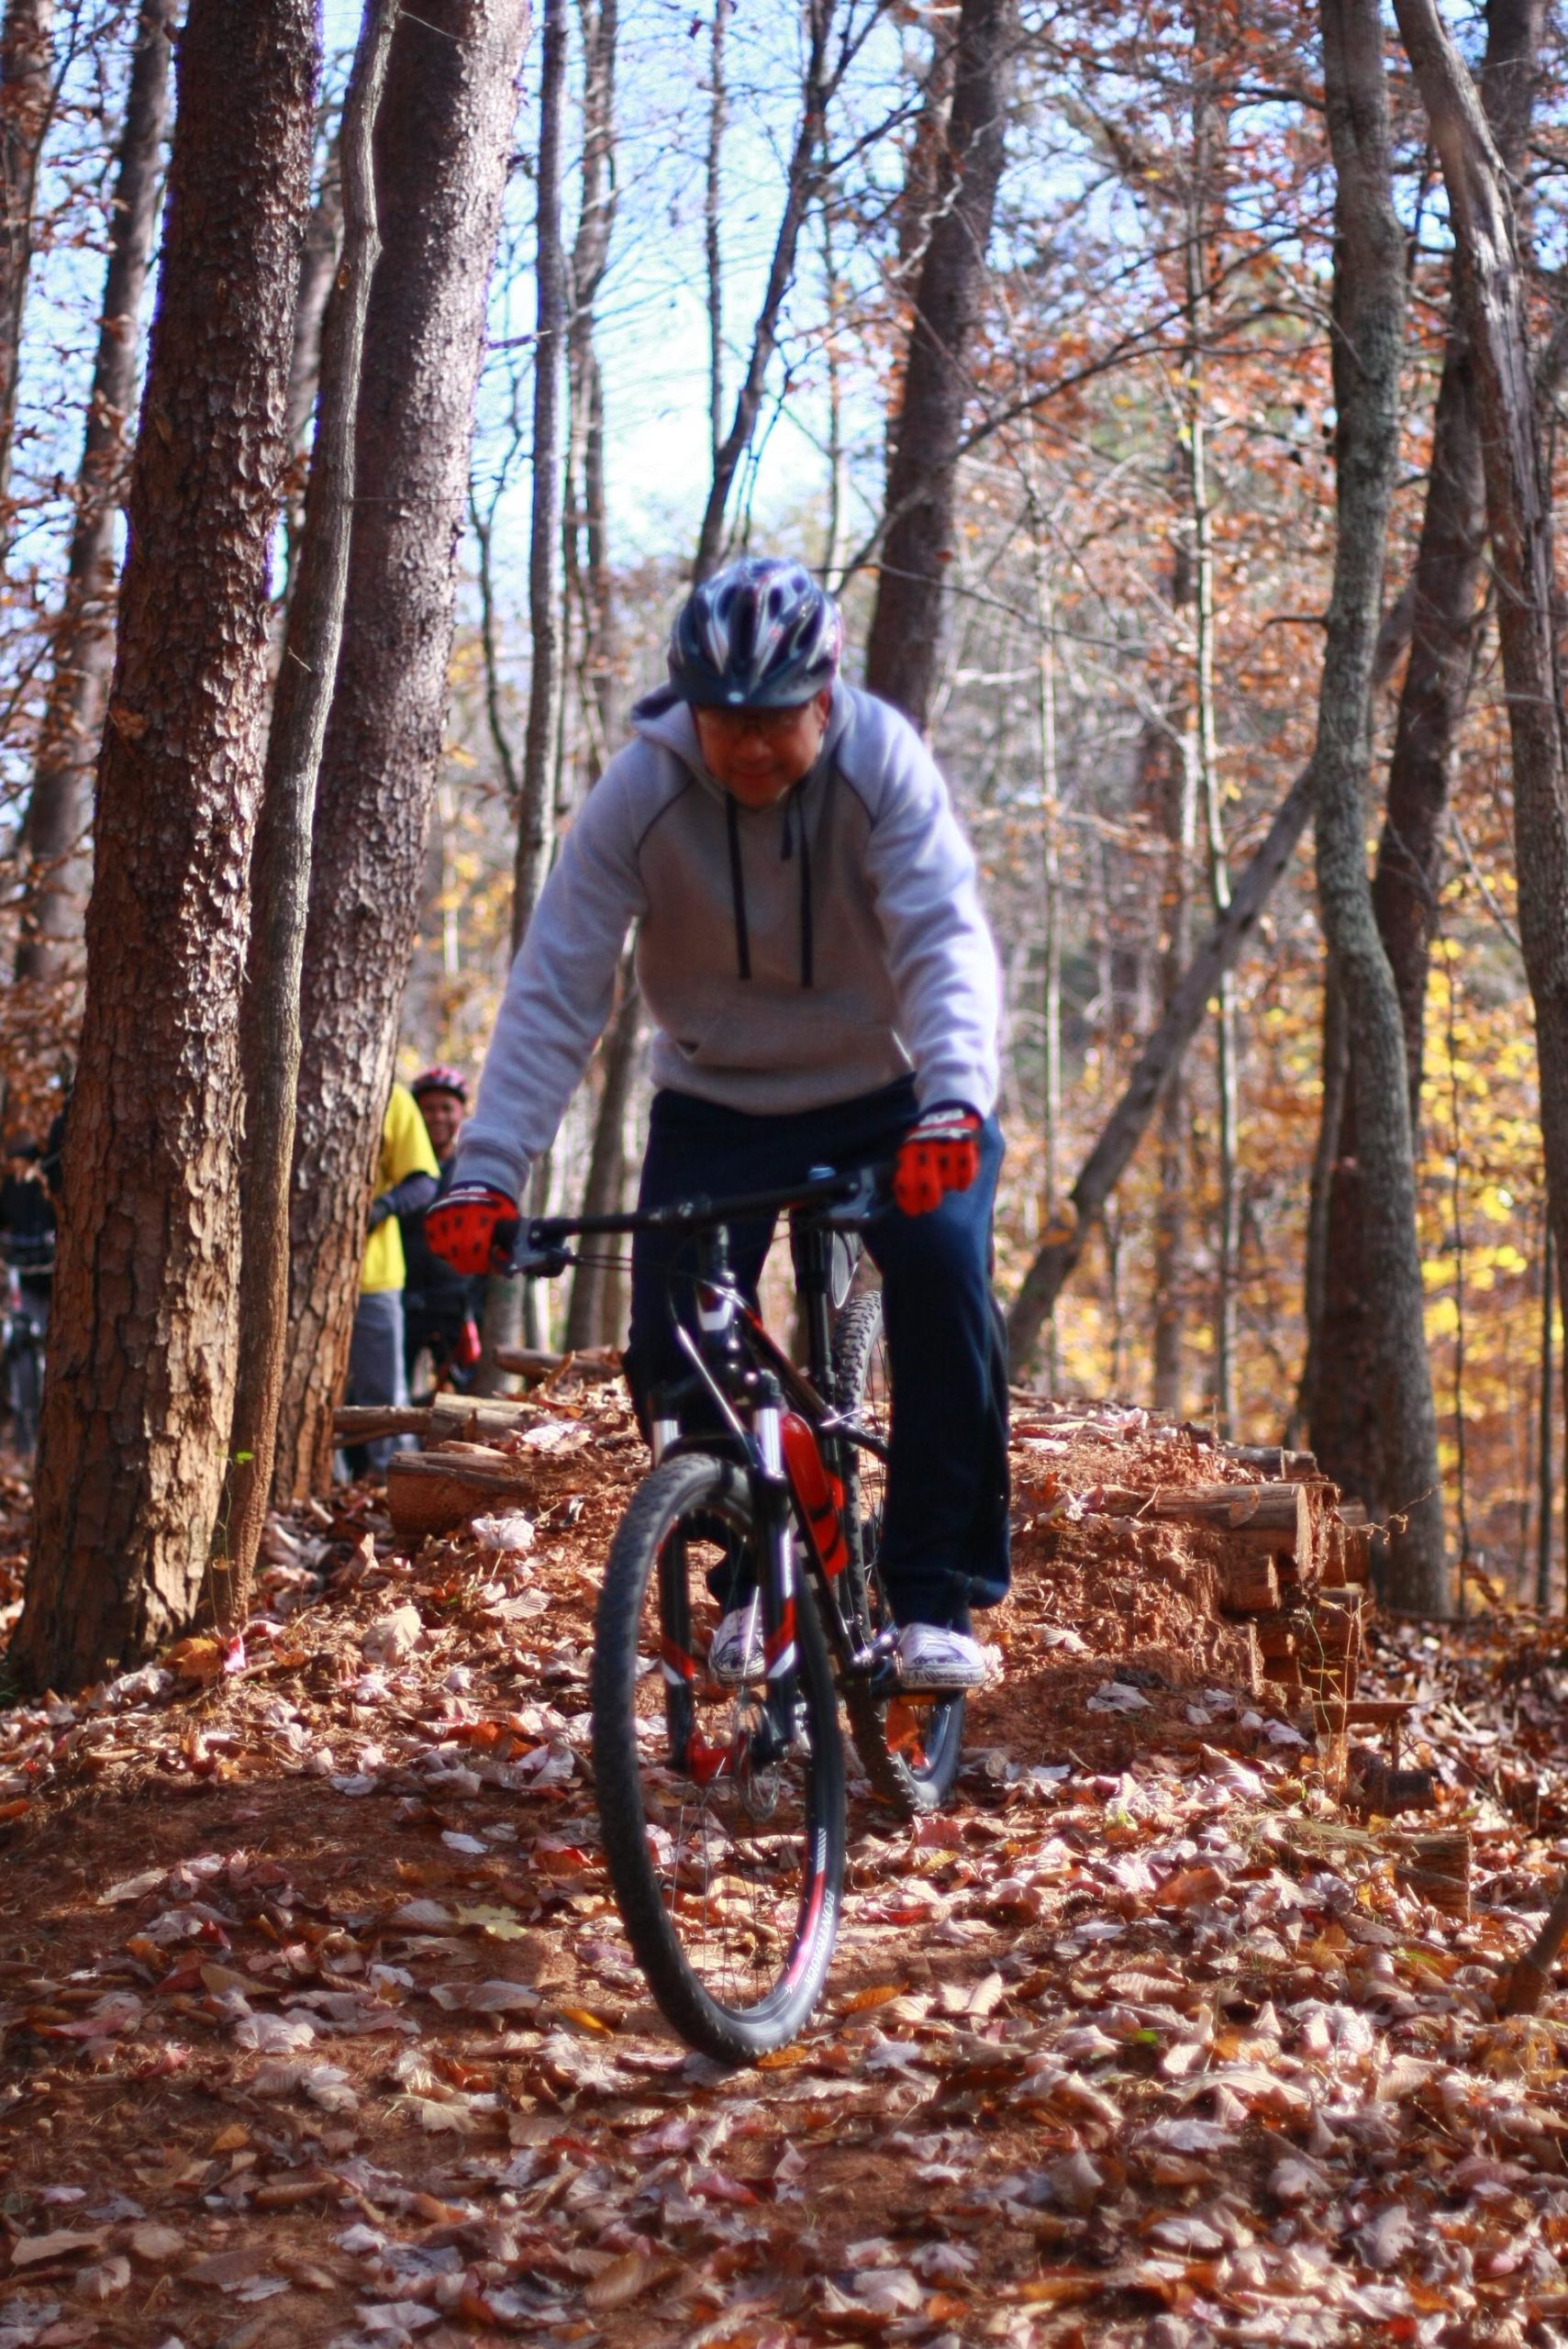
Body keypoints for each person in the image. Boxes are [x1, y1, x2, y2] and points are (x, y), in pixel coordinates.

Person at [427, 556, 1008, 1691]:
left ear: (824, 698)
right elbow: (557, 985)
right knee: (670, 1342)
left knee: (942, 1278)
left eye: (774, 719)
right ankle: (753, 1568)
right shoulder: (639, 794)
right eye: (723, 720)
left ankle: (935, 1594)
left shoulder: (878, 764)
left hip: (897, 1097)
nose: (747, 745)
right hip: (718, 1098)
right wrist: (485, 1172)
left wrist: (952, 1098)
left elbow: (944, 941)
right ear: (689, 706)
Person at [344, 1081, 439, 1478]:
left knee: (384, 1395)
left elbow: (423, 1180)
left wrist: (383, 1207)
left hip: (374, 1276)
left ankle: (397, 1488)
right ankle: (322, 1490)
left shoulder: (391, 1096)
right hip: (288, 1275)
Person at [402, 1065, 482, 1398]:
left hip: (456, 1301)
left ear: (462, 1112)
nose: (437, 1117)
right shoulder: (399, 1165)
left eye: (446, 1108)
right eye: (428, 1108)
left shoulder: (475, 1169)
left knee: (459, 1396)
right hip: (403, 1298)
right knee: (390, 1391)